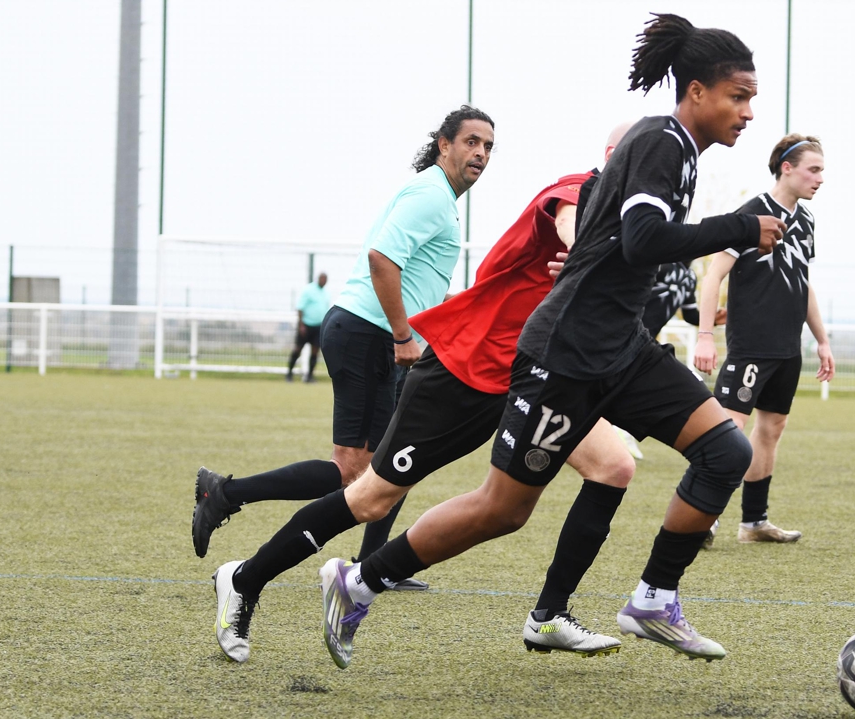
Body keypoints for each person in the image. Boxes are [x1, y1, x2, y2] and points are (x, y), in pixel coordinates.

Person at [315, 13, 786, 669]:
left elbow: (619, 243)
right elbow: (643, 239)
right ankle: (356, 581)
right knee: (501, 510)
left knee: (723, 450)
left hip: (620, 349)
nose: (749, 111)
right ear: (698, 92)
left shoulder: (682, 155)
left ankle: (652, 596)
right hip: (564, 356)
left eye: (752, 98)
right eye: (740, 96)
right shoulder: (662, 142)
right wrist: (736, 225)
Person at [210, 125, 641, 664]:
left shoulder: (632, 224)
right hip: (464, 372)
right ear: (614, 159)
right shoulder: (578, 190)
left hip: (528, 377)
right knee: (369, 498)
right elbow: (569, 223)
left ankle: (549, 615)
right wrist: (592, 260)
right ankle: (245, 579)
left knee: (612, 466)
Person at [192, 106, 494, 579]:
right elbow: (381, 259)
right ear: (444, 144)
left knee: (395, 458)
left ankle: (375, 564)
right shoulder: (432, 194)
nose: (480, 153)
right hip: (367, 333)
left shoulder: (436, 197)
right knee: (355, 470)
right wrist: (401, 336)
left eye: (488, 146)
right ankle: (226, 495)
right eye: (471, 141)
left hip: (373, 333)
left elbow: (414, 279)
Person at [694, 134, 835, 546]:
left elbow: (802, 282)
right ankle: (702, 518)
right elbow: (714, 275)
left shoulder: (805, 220)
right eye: (814, 169)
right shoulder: (752, 214)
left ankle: (754, 523)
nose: (821, 179)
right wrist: (705, 335)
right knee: (729, 431)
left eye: (823, 170)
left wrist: (822, 341)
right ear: (786, 168)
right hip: (751, 345)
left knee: (771, 429)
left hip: (788, 346)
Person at [287, 272, 330, 382]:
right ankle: (289, 374)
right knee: (298, 349)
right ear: (318, 279)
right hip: (306, 325)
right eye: (322, 279)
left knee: (315, 351)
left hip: (318, 327)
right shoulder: (308, 290)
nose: (324, 281)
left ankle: (309, 376)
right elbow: (300, 307)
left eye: (326, 279)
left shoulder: (326, 293)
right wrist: (301, 324)